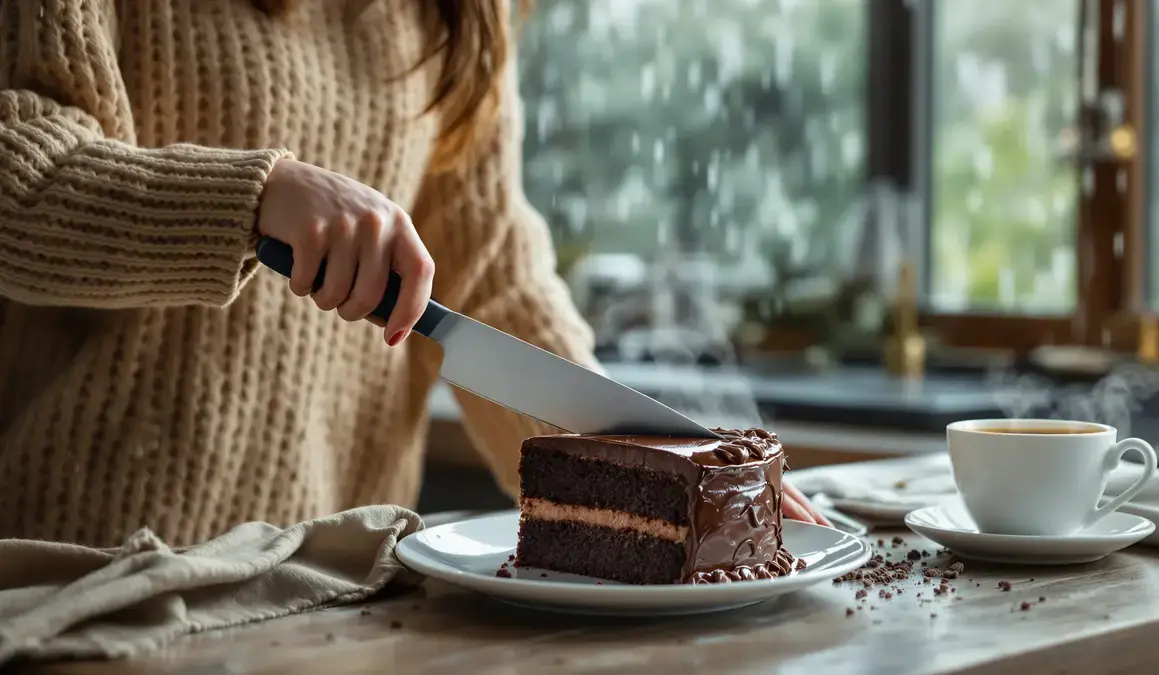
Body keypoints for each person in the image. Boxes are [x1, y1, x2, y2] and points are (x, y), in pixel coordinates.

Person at [0, 0, 825, 547]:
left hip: (333, 582)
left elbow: (494, 280)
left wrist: (649, 469)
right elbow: (17, 180)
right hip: (86, 575)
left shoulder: (455, 14)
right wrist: (255, 198)